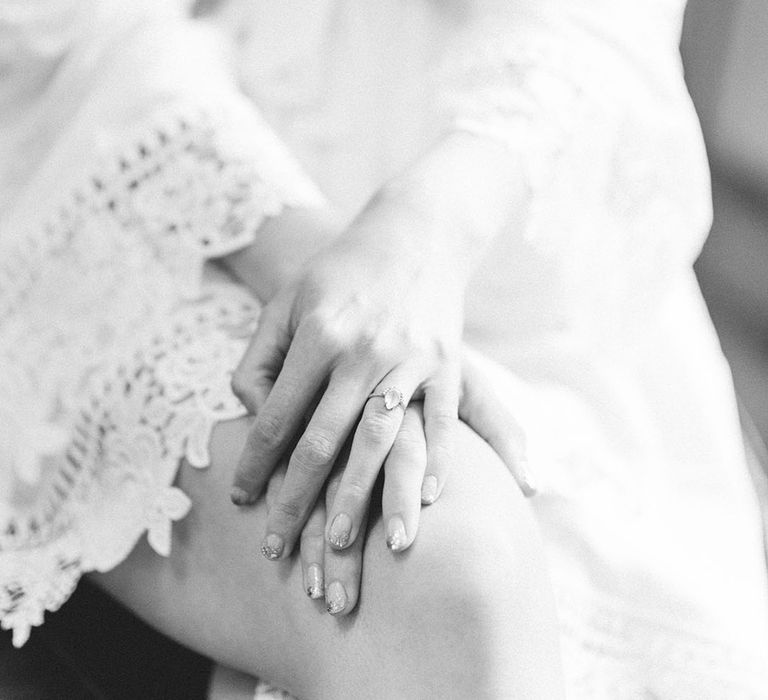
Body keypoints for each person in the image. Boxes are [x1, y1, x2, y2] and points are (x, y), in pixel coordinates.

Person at [1, 1, 767, 698]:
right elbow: (68, 29)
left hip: (509, 203)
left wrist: (424, 231)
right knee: (452, 567)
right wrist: (317, 274)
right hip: (134, 160)